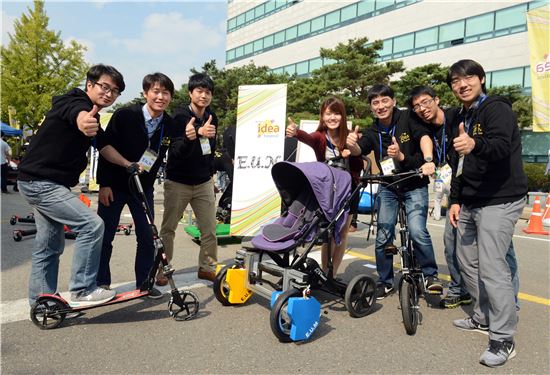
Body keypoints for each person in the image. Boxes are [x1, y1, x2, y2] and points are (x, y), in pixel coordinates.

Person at [17, 64, 124, 307]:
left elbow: (105, 146)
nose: (108, 94)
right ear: (89, 84)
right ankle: (83, 289)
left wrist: (128, 163)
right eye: (104, 87)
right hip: (41, 183)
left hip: (43, 182)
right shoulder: (74, 102)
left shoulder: (94, 116)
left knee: (49, 245)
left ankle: (42, 301)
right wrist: (82, 120)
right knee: (92, 225)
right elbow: (75, 113)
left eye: (115, 91)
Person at [409, 85, 520, 310]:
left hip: (491, 192)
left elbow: (490, 146)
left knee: (501, 251)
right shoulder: (425, 131)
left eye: (426, 102)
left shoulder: (457, 117)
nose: (422, 108)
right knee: (452, 244)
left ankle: (511, 302)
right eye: (417, 106)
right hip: (458, 190)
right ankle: (461, 290)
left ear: (437, 100)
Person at [447, 59, 527, 367]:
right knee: (467, 261)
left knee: (493, 267)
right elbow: (459, 165)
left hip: (501, 198)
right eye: (455, 80)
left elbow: (501, 147)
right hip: (470, 200)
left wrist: (474, 143)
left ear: (481, 79)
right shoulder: (463, 115)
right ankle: (481, 317)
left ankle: (504, 338)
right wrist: (455, 200)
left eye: (468, 78)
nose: (462, 84)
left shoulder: (497, 108)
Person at [347, 84, 442, 300]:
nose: (380, 106)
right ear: (371, 107)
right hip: (389, 187)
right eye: (375, 103)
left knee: (417, 231)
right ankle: (385, 280)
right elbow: (359, 149)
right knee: (383, 235)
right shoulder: (373, 130)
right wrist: (350, 143)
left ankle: (430, 275)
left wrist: (428, 161)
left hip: (414, 182)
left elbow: (425, 138)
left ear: (393, 101)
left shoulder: (408, 117)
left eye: (384, 101)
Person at [95, 73, 175, 293]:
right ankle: (101, 282)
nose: (161, 97)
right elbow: (104, 148)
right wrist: (104, 184)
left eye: (165, 93)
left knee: (148, 237)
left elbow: (174, 144)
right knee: (106, 236)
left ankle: (144, 283)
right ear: (145, 93)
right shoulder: (125, 115)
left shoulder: (168, 123)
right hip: (115, 185)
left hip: (143, 188)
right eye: (156, 91)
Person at [286, 97, 363, 277]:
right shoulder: (320, 137)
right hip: (327, 192)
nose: (332, 117)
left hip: (349, 190)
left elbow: (359, 166)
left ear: (343, 116)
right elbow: (307, 137)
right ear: (322, 116)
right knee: (328, 233)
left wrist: (353, 151)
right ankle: (324, 272)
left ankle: (332, 274)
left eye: (336, 113)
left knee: (342, 233)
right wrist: (295, 131)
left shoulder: (350, 135)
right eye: (328, 113)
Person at [159, 73, 218, 282]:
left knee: (209, 229)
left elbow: (210, 150)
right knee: (168, 229)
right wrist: (190, 136)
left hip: (203, 182)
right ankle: (162, 270)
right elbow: (174, 152)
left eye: (207, 92)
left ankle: (207, 267)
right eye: (199, 91)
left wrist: (211, 176)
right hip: (178, 182)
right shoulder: (179, 117)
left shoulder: (212, 117)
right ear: (190, 93)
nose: (204, 95)